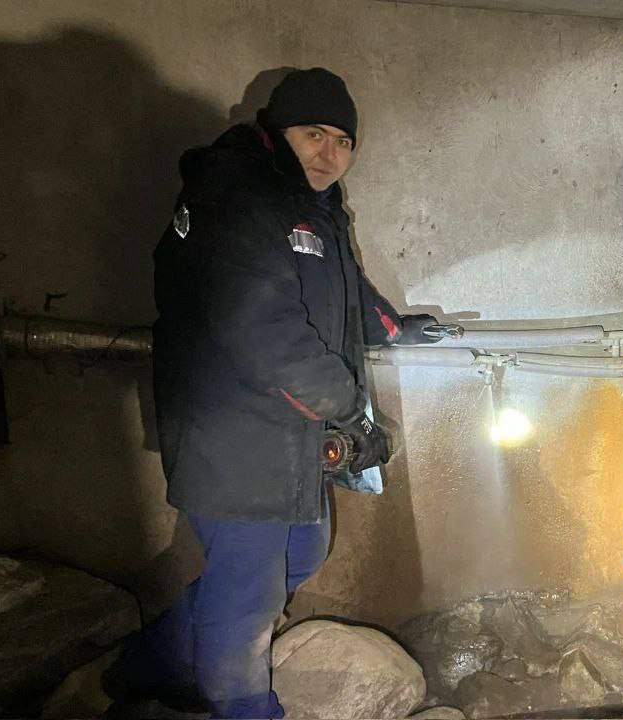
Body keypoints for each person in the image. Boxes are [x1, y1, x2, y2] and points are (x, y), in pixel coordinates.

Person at [111, 68, 440, 718]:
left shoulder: (314, 207)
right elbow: (264, 333)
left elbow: (344, 291)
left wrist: (395, 328)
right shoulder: (237, 196)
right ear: (278, 129)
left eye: (343, 141)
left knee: (302, 552)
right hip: (233, 433)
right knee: (250, 598)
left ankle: (155, 661)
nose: (330, 153)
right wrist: (350, 413)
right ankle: (243, 706)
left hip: (282, 432)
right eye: (314, 134)